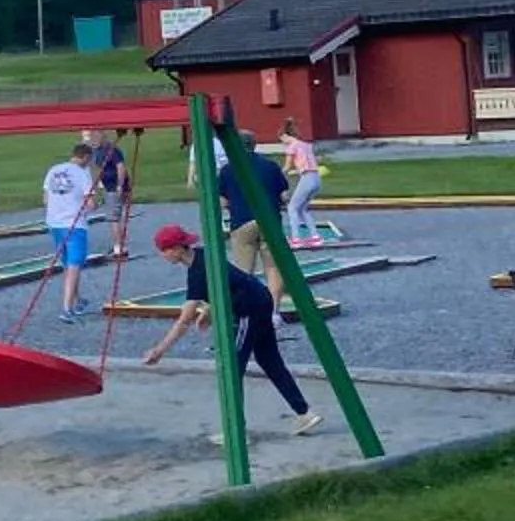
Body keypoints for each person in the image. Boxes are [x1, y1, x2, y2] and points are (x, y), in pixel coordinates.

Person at [139, 222, 319, 437]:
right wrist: (209, 310)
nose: (162, 255)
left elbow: (184, 321)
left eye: (164, 250)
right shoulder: (204, 255)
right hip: (262, 299)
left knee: (231, 369)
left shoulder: (196, 274)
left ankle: (235, 431)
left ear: (177, 248)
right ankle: (304, 413)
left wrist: (159, 350)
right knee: (270, 361)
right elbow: (225, 283)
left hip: (249, 310)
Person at [40, 140, 100, 323]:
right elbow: (90, 203)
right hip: (74, 224)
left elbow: (45, 199)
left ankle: (77, 299)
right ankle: (67, 309)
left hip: (54, 223)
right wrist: (94, 206)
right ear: (86, 157)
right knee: (74, 265)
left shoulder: (53, 170)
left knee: (67, 263)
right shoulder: (83, 174)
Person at [217, 152, 289, 303]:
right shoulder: (271, 166)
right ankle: (274, 310)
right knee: (273, 267)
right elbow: (284, 196)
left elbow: (223, 202)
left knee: (244, 271)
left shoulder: (227, 169)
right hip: (270, 222)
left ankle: (248, 309)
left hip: (242, 222)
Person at [279, 122, 325, 249]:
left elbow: (287, 166)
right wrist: (296, 172)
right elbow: (308, 164)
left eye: (282, 140)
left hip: (307, 179)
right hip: (316, 178)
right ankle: (315, 237)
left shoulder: (292, 147)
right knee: (302, 208)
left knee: (292, 207)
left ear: (285, 135)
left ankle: (296, 238)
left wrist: (278, 173)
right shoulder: (306, 145)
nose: (283, 143)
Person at [88, 129, 131, 258]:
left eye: (95, 137)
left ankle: (119, 247)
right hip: (108, 187)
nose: (93, 140)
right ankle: (119, 244)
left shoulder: (112, 150)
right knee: (114, 217)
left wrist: (120, 185)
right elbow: (97, 170)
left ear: (103, 137)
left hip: (114, 187)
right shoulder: (97, 151)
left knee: (113, 218)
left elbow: (120, 167)